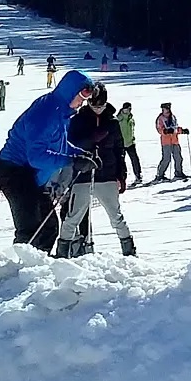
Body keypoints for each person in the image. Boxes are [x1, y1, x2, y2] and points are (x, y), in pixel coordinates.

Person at [0, 70, 93, 251]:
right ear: (70, 91)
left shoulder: (62, 112)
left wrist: (81, 154)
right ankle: (18, 271)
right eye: (82, 95)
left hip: (30, 175)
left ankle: (38, 269)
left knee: (48, 228)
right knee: (31, 229)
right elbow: (37, 157)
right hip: (15, 171)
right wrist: (72, 161)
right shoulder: (47, 112)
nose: (83, 101)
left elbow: (59, 145)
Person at [58, 86, 136, 256]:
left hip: (107, 175)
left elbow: (119, 150)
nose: (97, 108)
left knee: (116, 216)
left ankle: (129, 250)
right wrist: (90, 140)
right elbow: (71, 144)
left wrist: (121, 176)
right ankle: (63, 251)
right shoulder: (78, 120)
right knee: (73, 217)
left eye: (100, 105)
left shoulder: (113, 122)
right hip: (83, 174)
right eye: (94, 104)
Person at [153, 103, 189, 182]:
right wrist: (165, 131)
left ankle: (178, 173)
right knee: (166, 159)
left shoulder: (173, 117)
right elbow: (159, 129)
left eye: (167, 108)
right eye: (165, 109)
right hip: (166, 142)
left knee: (178, 158)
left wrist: (182, 131)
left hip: (175, 140)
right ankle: (160, 174)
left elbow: (175, 128)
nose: (166, 110)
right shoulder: (160, 118)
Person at [116, 103, 142, 183]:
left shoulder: (131, 118)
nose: (128, 110)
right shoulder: (118, 118)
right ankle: (122, 178)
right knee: (121, 162)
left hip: (130, 142)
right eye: (127, 109)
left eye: (130, 109)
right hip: (121, 143)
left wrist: (132, 138)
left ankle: (138, 175)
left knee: (135, 160)